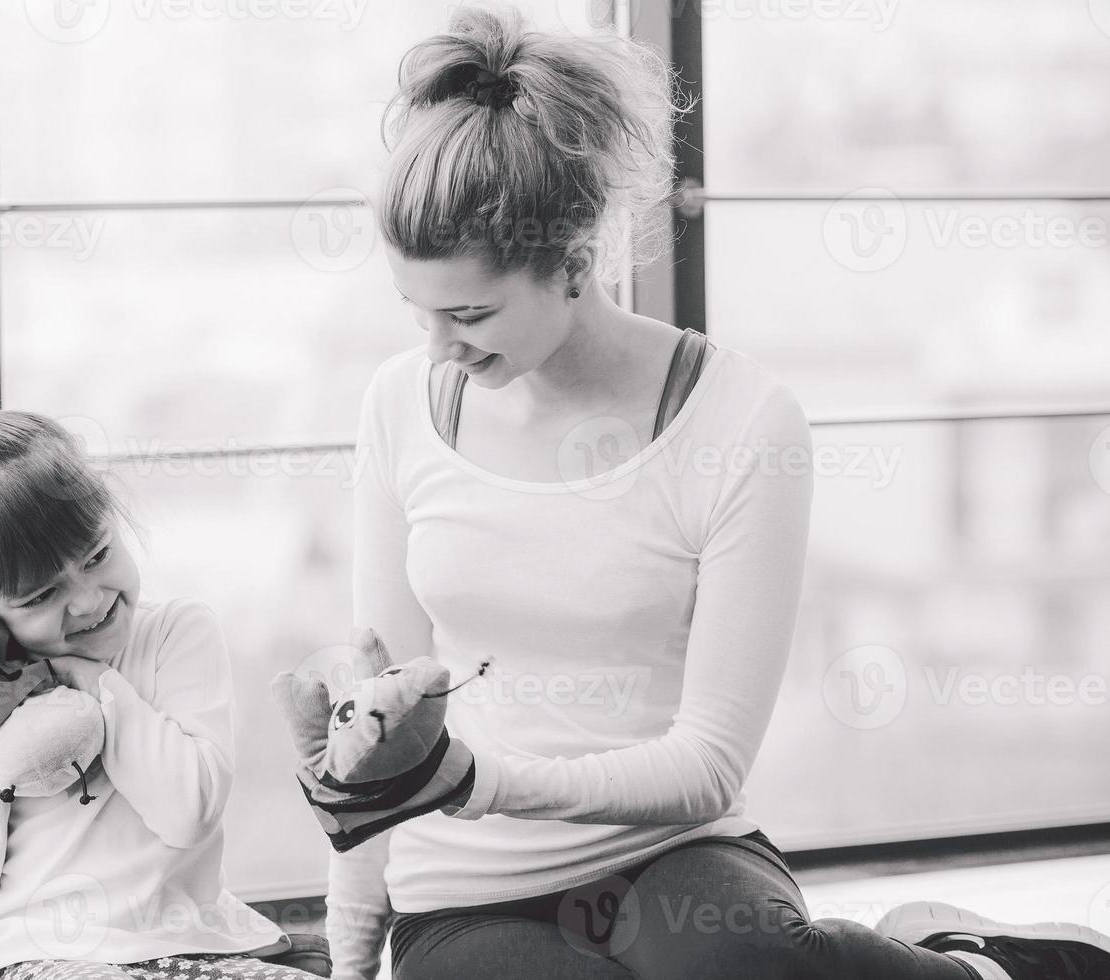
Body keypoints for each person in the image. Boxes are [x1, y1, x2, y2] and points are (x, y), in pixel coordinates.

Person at [324, 8, 1110, 980]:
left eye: (471, 313)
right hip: (471, 884)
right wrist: (351, 934)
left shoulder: (742, 420)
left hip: (674, 847)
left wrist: (478, 779)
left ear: (572, 260)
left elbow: (706, 765)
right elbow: (387, 714)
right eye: (418, 311)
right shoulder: (401, 401)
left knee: (736, 961)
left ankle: (984, 965)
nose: (438, 346)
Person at [0, 410, 324, 980]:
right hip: (37, 959)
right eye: (41, 595)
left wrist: (93, 680)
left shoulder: (175, 632)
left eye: (98, 556)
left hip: (199, 948)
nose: (89, 601)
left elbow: (188, 812)